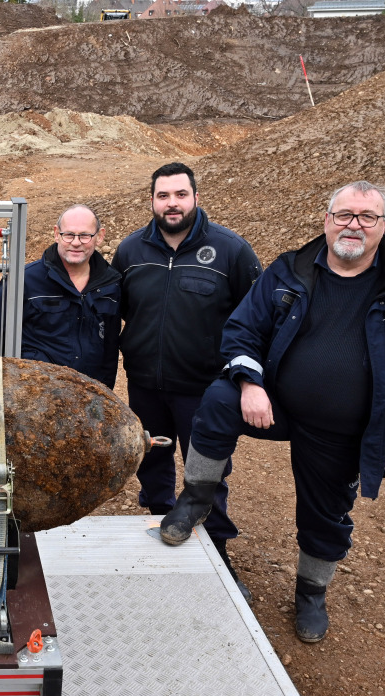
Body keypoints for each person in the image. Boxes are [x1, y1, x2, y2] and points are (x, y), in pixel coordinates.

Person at [160, 181, 385, 642]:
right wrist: (250, 383)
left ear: (383, 224)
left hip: (341, 424)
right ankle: (196, 499)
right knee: (218, 400)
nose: (353, 225)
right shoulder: (290, 269)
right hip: (274, 403)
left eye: (366, 217)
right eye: (343, 215)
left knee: (326, 514)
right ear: (326, 219)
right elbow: (242, 330)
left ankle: (311, 592)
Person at [112, 162, 261, 598]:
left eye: (180, 194)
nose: (171, 203)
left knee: (208, 468)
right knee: (152, 460)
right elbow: (120, 308)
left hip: (205, 389)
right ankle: (160, 522)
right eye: (163, 196)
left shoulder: (231, 250)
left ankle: (216, 547)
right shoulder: (130, 250)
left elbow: (256, 317)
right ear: (152, 201)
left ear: (195, 196)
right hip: (144, 382)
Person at [0, 204, 121, 388]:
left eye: (85, 235)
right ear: (56, 234)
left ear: (100, 236)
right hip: (36, 392)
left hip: (87, 394)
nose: (76, 242)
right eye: (69, 235)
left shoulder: (111, 284)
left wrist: (104, 393)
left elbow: (110, 347)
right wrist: (22, 374)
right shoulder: (25, 280)